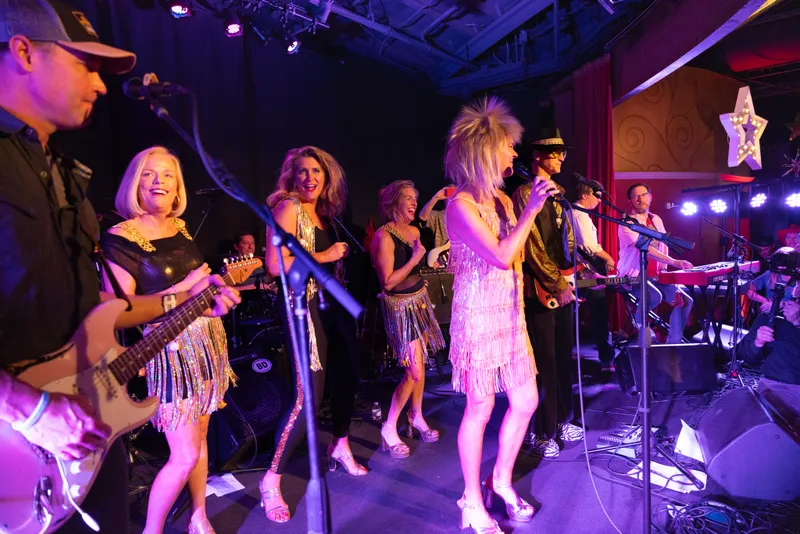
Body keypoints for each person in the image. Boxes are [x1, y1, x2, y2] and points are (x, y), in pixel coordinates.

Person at [0, 2, 239, 533]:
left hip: (90, 435)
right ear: (24, 52)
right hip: (19, 449)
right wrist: (30, 410)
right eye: (85, 64)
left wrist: (192, 299)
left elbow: (102, 313)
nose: (100, 85)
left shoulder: (65, 177)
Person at [100, 146, 233, 534]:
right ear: (134, 183)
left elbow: (200, 288)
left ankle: (198, 515)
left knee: (202, 438)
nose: (159, 182)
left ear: (178, 188)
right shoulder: (119, 237)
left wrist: (213, 292)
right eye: (149, 174)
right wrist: (187, 288)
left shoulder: (181, 228)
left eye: (168, 175)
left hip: (206, 343)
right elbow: (119, 310)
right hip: (169, 351)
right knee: (185, 453)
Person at [445, 96, 557, 532]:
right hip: (477, 316)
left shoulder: (502, 199)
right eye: (509, 145)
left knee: (526, 400)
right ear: (487, 150)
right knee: (481, 406)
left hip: (510, 314)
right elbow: (499, 255)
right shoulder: (461, 205)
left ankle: (501, 481)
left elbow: (519, 255)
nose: (515, 153)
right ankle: (472, 501)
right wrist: (530, 209)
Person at [259, 146, 366, 524]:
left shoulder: (325, 214)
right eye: (302, 171)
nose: (310, 178)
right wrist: (326, 256)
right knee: (307, 398)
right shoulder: (288, 208)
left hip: (328, 307)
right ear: (291, 176)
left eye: (316, 171)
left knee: (345, 378)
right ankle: (271, 480)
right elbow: (275, 265)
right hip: (299, 308)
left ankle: (340, 445)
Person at [512, 126, 581, 459]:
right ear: (538, 156)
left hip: (563, 283)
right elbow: (532, 245)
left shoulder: (560, 195)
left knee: (564, 356)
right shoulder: (525, 193)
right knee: (544, 361)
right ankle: (540, 431)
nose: (562, 158)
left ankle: (562, 419)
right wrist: (557, 283)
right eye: (556, 153)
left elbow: (567, 241)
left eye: (563, 152)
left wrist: (575, 273)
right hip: (539, 287)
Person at [371, 180, 446, 459]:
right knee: (413, 371)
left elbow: (414, 267)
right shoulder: (383, 236)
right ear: (394, 203)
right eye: (408, 198)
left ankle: (416, 415)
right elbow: (388, 282)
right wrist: (415, 259)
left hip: (419, 302)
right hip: (400, 308)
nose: (414, 202)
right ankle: (389, 426)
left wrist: (421, 270)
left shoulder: (414, 231)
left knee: (421, 364)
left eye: (415, 197)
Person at [617, 183, 694, 344]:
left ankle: (673, 343)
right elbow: (646, 249)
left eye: (643, 195)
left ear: (650, 197)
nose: (640, 199)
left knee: (685, 301)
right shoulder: (627, 223)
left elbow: (663, 245)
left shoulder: (656, 219)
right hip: (634, 277)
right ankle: (641, 327)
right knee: (654, 296)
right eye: (635, 196)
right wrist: (674, 261)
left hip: (656, 276)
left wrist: (665, 269)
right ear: (630, 201)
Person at [572, 180, 616, 372]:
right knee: (599, 313)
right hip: (586, 271)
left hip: (580, 270)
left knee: (579, 313)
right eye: (596, 196)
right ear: (584, 195)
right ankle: (606, 359)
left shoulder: (575, 213)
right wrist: (608, 258)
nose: (599, 200)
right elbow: (589, 245)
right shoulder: (579, 214)